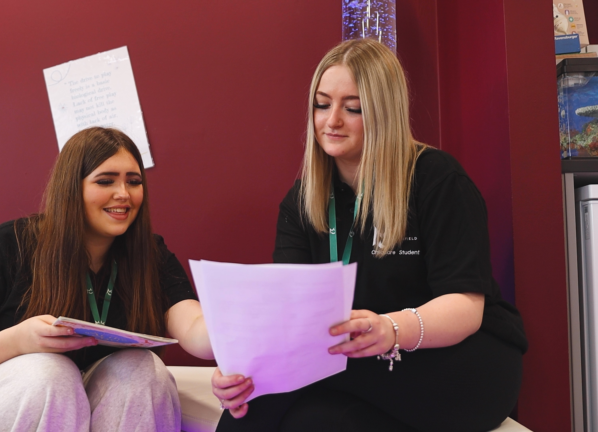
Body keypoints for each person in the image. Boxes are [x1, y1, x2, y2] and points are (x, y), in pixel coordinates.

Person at [211, 39, 527, 432]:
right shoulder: (302, 201)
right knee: (301, 417)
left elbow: (465, 306)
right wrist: (243, 375)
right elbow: (290, 320)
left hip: (459, 360)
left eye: (353, 108)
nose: (332, 121)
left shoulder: (437, 180)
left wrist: (392, 328)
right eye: (322, 104)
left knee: (280, 397)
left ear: (383, 113)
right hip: (363, 360)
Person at [0, 127, 213, 432]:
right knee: (52, 372)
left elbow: (195, 328)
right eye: (105, 181)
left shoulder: (151, 254)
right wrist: (18, 340)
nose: (124, 194)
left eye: (134, 181)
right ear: (71, 188)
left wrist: (240, 331)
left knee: (143, 370)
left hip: (87, 397)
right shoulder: (11, 244)